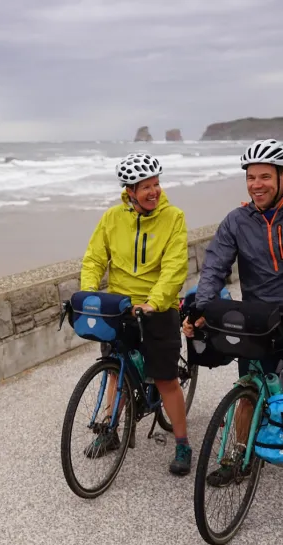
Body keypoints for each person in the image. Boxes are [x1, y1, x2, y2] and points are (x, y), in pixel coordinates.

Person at [183, 139, 283, 519]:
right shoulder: (237, 221)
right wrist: (200, 309)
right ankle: (237, 460)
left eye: (265, 177)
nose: (257, 184)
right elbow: (215, 268)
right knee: (248, 393)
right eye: (251, 177)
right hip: (257, 323)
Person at [80, 152, 191, 475]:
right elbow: (94, 259)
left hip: (159, 307)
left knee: (166, 379)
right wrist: (88, 293)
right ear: (129, 191)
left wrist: (155, 302)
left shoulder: (174, 218)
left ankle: (183, 443)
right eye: (145, 187)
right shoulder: (112, 218)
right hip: (121, 307)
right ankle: (110, 431)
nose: (153, 191)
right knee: (115, 371)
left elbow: (174, 268)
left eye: (156, 184)